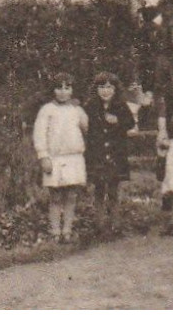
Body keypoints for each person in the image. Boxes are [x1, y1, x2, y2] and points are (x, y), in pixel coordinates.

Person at [33, 73, 88, 242]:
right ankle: (55, 232)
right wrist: (43, 156)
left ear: (72, 90)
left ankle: (67, 231)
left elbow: (86, 129)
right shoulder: (47, 110)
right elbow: (39, 134)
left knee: (71, 196)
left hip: (73, 158)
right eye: (59, 88)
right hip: (54, 159)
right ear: (53, 90)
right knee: (56, 197)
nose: (63, 92)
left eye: (67, 88)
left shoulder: (77, 110)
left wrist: (81, 113)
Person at [85, 71, 136, 236]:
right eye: (101, 87)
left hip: (116, 154)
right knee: (99, 189)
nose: (105, 91)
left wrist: (118, 121)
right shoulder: (91, 107)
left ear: (115, 89)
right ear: (96, 89)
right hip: (97, 154)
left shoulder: (121, 106)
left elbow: (130, 123)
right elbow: (85, 127)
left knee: (114, 188)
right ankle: (99, 225)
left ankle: (115, 224)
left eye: (109, 87)